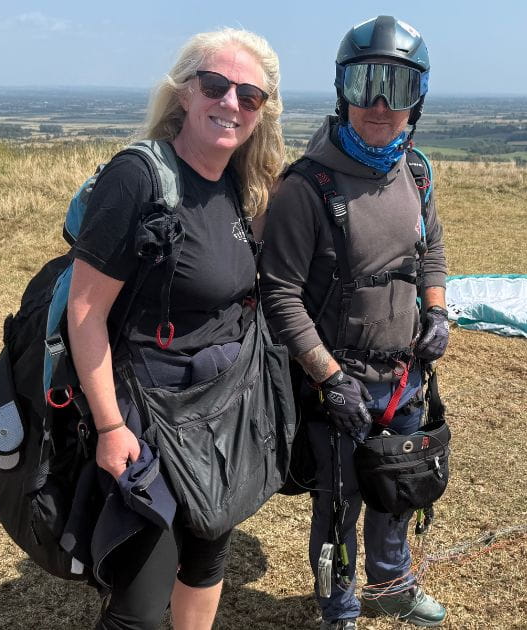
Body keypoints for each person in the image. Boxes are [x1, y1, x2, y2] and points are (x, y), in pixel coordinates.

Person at [66, 28, 284, 630]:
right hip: (147, 414)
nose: (231, 103)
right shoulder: (138, 178)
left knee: (207, 554)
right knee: (140, 602)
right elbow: (84, 311)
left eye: (249, 95)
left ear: (261, 112)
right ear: (185, 93)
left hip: (220, 413)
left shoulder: (243, 184)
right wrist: (110, 427)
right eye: (215, 85)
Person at [260, 15, 449, 630]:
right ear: (342, 89)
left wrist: (437, 312)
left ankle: (392, 586)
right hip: (337, 381)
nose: (380, 104)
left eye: (398, 86)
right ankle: (339, 611)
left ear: (418, 98)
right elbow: (280, 294)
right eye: (366, 82)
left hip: (404, 376)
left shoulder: (415, 173)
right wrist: (329, 378)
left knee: (399, 485)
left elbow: (432, 252)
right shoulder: (306, 187)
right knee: (339, 505)